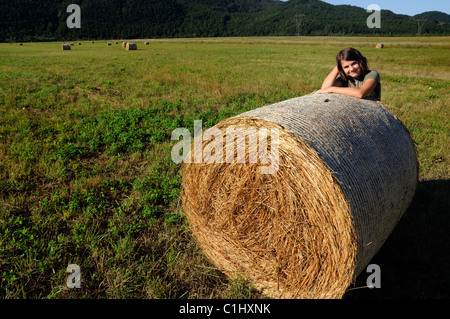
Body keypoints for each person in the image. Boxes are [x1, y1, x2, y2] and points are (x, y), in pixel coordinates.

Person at [314, 48, 381, 101]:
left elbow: (360, 93)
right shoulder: (345, 78)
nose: (351, 69)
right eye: (346, 67)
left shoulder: (371, 74)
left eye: (354, 63)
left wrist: (331, 89)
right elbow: (325, 88)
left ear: (361, 61)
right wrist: (337, 68)